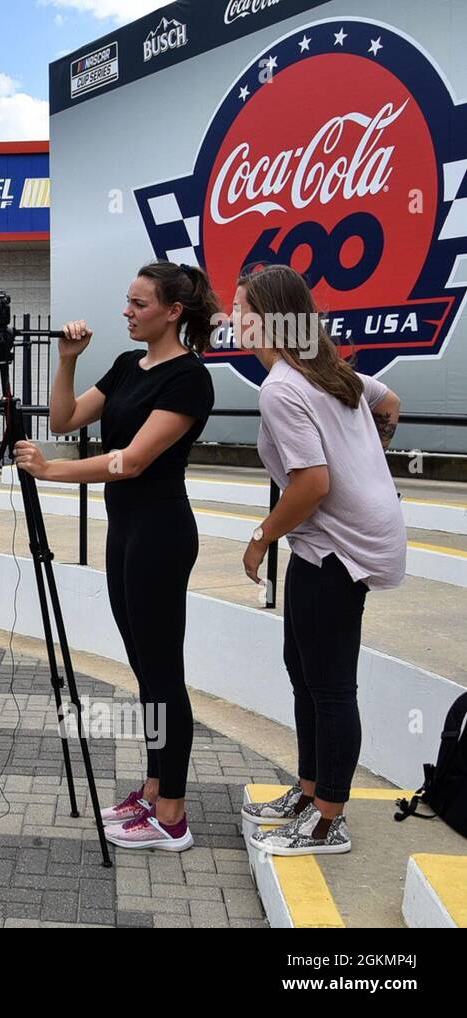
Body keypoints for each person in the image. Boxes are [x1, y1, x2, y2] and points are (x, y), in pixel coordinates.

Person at [15, 260, 218, 852]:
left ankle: (173, 815)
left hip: (160, 534)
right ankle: (155, 788)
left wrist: (52, 471)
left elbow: (131, 461)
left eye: (139, 304)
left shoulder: (188, 378)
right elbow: (65, 417)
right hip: (125, 531)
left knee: (163, 673)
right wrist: (68, 361)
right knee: (145, 669)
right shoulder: (130, 365)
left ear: (173, 312)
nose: (126, 312)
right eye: (127, 301)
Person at [237, 264, 406, 856]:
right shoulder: (324, 371)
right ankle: (309, 792)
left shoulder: (283, 385)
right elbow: (391, 402)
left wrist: (261, 537)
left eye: (244, 312)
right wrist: (370, 464)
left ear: (274, 320)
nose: (233, 320)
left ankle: (329, 818)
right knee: (304, 671)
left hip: (338, 545)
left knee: (329, 685)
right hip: (332, 541)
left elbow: (310, 482)